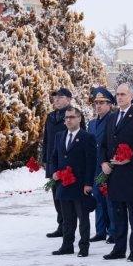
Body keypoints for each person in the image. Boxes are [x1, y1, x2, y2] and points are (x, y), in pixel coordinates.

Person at [101, 83, 133, 261]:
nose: (120, 97)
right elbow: (105, 144)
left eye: (123, 94)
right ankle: (119, 248)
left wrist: (130, 158)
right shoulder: (111, 118)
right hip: (114, 173)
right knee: (118, 213)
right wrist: (104, 163)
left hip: (132, 173)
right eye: (117, 94)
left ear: (131, 96)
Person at [51, 106, 97, 257]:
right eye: (66, 118)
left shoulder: (87, 137)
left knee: (82, 218)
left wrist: (88, 183)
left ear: (79, 119)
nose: (68, 120)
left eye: (71, 117)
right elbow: (55, 157)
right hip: (64, 183)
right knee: (67, 218)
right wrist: (54, 172)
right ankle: (67, 245)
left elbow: (91, 162)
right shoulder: (59, 136)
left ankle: (84, 247)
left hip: (80, 184)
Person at [43, 87, 74, 238]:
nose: (56, 99)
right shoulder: (51, 116)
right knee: (56, 195)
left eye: (60, 97)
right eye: (55, 97)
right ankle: (61, 224)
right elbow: (46, 140)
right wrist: (45, 160)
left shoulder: (73, 115)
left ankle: (69, 225)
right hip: (52, 161)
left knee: (66, 196)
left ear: (68, 100)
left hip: (66, 163)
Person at [87, 87, 116, 244]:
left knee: (109, 200)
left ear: (110, 104)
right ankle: (100, 230)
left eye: (102, 103)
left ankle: (113, 231)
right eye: (96, 103)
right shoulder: (92, 123)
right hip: (96, 166)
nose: (98, 106)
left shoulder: (113, 120)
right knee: (98, 197)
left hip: (108, 166)